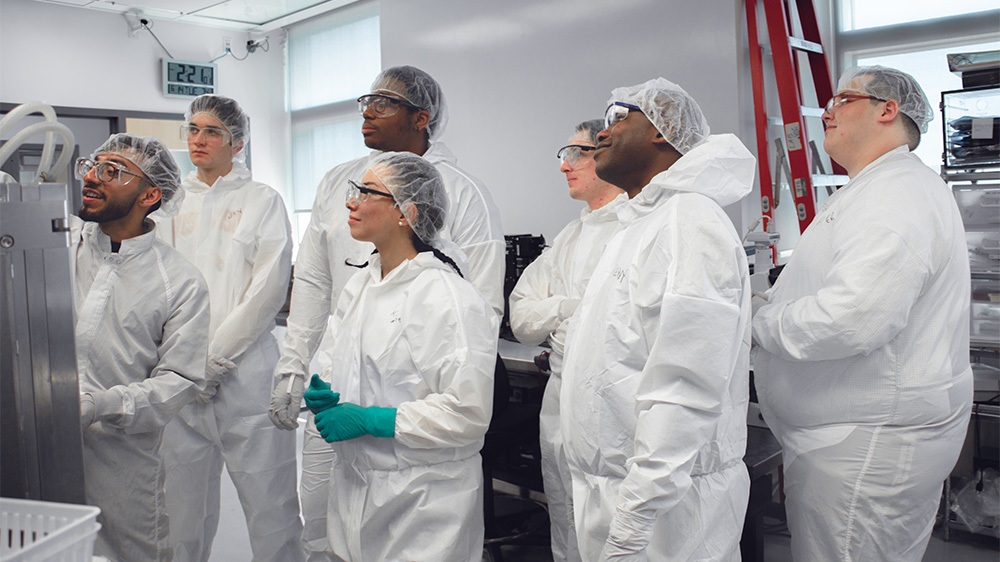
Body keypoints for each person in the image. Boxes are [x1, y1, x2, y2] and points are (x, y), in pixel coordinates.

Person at [268, 65, 504, 560]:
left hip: (414, 463)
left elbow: (467, 369)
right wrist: (308, 373)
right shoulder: (362, 279)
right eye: (365, 100)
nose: (367, 112)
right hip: (354, 448)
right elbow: (314, 286)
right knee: (324, 536)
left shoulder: (447, 281)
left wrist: (377, 418)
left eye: (384, 102)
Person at [752, 65, 972, 561]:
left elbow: (851, 319)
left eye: (841, 100)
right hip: (865, 435)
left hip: (866, 447)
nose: (826, 111)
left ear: (887, 110)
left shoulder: (895, 194)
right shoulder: (879, 188)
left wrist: (757, 321)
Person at [560, 78, 756, 559]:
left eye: (619, 117)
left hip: (665, 509)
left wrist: (636, 517)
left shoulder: (690, 222)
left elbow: (685, 385)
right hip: (620, 490)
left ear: (662, 133)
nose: (602, 134)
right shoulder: (639, 223)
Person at [301, 152, 496, 561]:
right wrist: (323, 390)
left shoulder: (445, 296)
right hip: (356, 486)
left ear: (406, 212)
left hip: (424, 498)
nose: (351, 202)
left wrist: (375, 419)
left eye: (366, 192)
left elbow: (468, 413)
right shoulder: (362, 285)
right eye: (353, 191)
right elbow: (337, 359)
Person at [156, 95, 302, 562]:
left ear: (237, 142)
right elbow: (158, 285)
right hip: (178, 376)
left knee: (270, 506)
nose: (198, 139)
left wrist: (216, 356)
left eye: (212, 131)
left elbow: (268, 287)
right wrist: (183, 359)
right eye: (193, 129)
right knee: (180, 510)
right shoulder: (169, 204)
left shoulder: (262, 201)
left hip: (243, 375)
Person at [72, 133, 210, 562]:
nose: (93, 178)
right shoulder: (58, 246)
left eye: (112, 171)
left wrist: (100, 405)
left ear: (150, 194)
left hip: (120, 458)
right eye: (93, 166)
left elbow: (179, 381)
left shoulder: (179, 281)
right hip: (38, 439)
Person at [508, 119, 626, 562]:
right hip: (559, 399)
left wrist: (562, 306)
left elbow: (620, 324)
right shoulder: (569, 237)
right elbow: (521, 319)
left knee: (613, 525)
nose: (564, 166)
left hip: (611, 402)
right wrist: (572, 306)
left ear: (607, 153)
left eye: (575, 153)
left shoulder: (636, 229)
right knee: (564, 513)